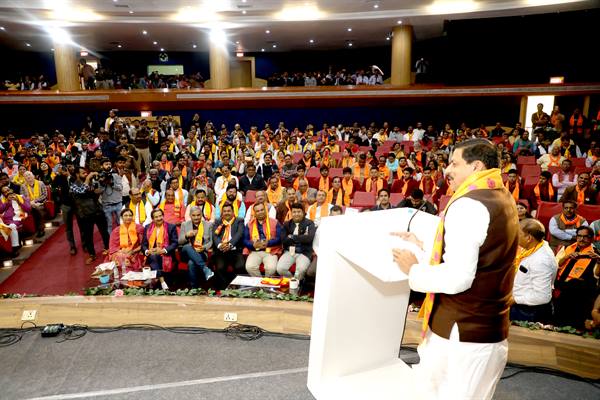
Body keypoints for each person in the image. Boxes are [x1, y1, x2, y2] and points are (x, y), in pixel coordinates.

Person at [392, 138, 519, 400]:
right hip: (484, 331)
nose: (447, 170)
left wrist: (413, 270)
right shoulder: (500, 195)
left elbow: (458, 277)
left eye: (454, 163)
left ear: (476, 167)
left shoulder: (469, 204)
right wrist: (423, 245)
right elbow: (479, 256)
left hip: (463, 334)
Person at [511, 219, 557, 323]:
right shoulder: (532, 247)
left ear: (529, 238)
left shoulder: (542, 260)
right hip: (522, 307)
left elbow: (542, 297)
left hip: (530, 312)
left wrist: (514, 299)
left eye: (518, 234)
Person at [553, 226, 600, 329]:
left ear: (591, 238)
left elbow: (597, 275)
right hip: (560, 282)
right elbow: (555, 264)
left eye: (585, 237)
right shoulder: (567, 248)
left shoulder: (595, 254)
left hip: (580, 289)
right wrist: (566, 257)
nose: (581, 239)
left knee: (575, 284)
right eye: (579, 236)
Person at [70, 167, 110, 265]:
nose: (86, 174)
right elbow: (82, 190)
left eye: (86, 173)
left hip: (97, 210)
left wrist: (100, 183)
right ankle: (92, 254)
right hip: (85, 214)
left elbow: (99, 190)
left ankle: (108, 249)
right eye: (83, 173)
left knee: (104, 232)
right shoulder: (73, 185)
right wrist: (88, 178)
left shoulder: (92, 182)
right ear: (77, 175)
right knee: (88, 236)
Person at [276, 203, 316, 280]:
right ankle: (292, 281)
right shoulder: (287, 224)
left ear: (303, 213)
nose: (296, 214)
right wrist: (302, 237)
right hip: (289, 251)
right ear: (291, 213)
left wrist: (292, 236)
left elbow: (309, 238)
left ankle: (298, 284)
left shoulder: (310, 223)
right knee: (280, 269)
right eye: (294, 212)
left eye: (299, 212)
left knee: (300, 270)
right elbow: (283, 240)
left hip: (304, 252)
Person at [141, 208, 178, 290]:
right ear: (152, 219)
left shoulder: (170, 227)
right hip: (152, 254)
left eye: (160, 216)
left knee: (154, 256)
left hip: (166, 254)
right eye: (156, 217)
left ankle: (161, 281)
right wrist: (147, 251)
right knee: (153, 256)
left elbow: (175, 243)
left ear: (163, 216)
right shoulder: (147, 227)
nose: (159, 218)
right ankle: (162, 281)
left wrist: (163, 250)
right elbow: (143, 245)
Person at [212, 202, 245, 289]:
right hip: (221, 251)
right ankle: (225, 288)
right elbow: (215, 235)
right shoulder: (218, 221)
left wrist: (229, 245)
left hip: (235, 250)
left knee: (240, 266)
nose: (227, 213)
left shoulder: (239, 221)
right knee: (220, 268)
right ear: (222, 213)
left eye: (229, 211)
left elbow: (239, 234)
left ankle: (237, 287)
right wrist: (220, 245)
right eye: (224, 211)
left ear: (233, 212)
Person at [244, 202, 282, 277]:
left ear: (265, 210)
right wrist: (253, 245)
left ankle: (267, 284)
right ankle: (260, 284)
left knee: (271, 268)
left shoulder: (275, 222)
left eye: (262, 210)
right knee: (249, 267)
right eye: (257, 211)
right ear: (254, 213)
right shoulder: (249, 224)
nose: (260, 212)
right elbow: (245, 240)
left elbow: (279, 239)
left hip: (271, 250)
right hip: (255, 251)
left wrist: (268, 243)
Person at [179, 206, 214, 288]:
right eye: (194, 215)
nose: (196, 217)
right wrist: (187, 236)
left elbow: (211, 242)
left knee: (191, 263)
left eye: (198, 215)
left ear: (201, 215)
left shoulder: (208, 225)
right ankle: (205, 268)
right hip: (185, 253)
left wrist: (204, 247)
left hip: (201, 252)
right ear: (190, 216)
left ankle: (194, 288)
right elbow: (179, 242)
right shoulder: (184, 224)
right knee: (188, 247)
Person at [97, 158, 123, 235]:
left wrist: (112, 184)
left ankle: (122, 239)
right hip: (106, 204)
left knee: (120, 223)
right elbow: (98, 191)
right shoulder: (99, 177)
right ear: (101, 166)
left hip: (118, 202)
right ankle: (110, 241)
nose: (108, 166)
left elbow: (120, 188)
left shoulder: (115, 175)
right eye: (106, 164)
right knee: (109, 224)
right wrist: (103, 184)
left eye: (109, 164)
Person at [20, 171, 46, 237]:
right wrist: (30, 203)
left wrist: (35, 201)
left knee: (36, 208)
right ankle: (39, 229)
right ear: (24, 178)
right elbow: (22, 198)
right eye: (26, 176)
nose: (28, 176)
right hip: (29, 205)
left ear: (33, 175)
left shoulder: (40, 183)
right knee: (34, 209)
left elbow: (44, 195)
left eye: (29, 174)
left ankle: (40, 229)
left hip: (40, 203)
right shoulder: (23, 186)